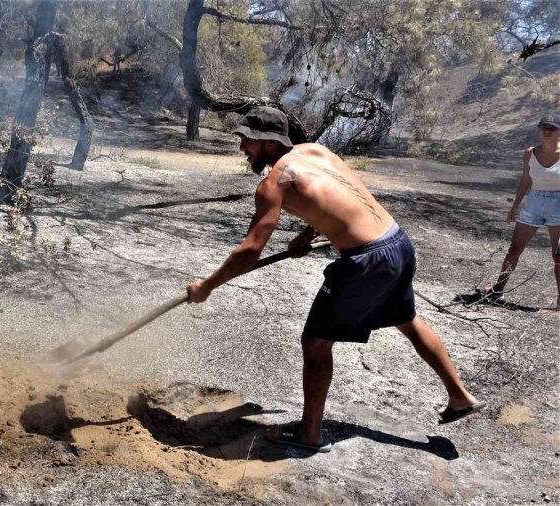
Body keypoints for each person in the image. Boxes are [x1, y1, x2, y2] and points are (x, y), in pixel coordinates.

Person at [186, 107, 484, 453]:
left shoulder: (271, 184)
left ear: (267, 142)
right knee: (407, 320)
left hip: (366, 262)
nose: (243, 149)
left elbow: (250, 249)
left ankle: (310, 435)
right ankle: (460, 396)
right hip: (397, 243)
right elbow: (338, 194)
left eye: (246, 141)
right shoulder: (316, 151)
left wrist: (206, 286)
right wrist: (308, 234)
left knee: (315, 343)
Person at [478, 116, 560, 308]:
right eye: (543, 128)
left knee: (558, 256)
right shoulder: (530, 153)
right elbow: (525, 181)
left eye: (551, 128)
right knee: (514, 249)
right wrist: (515, 205)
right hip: (534, 202)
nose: (546, 132)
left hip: (558, 203)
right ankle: (497, 290)